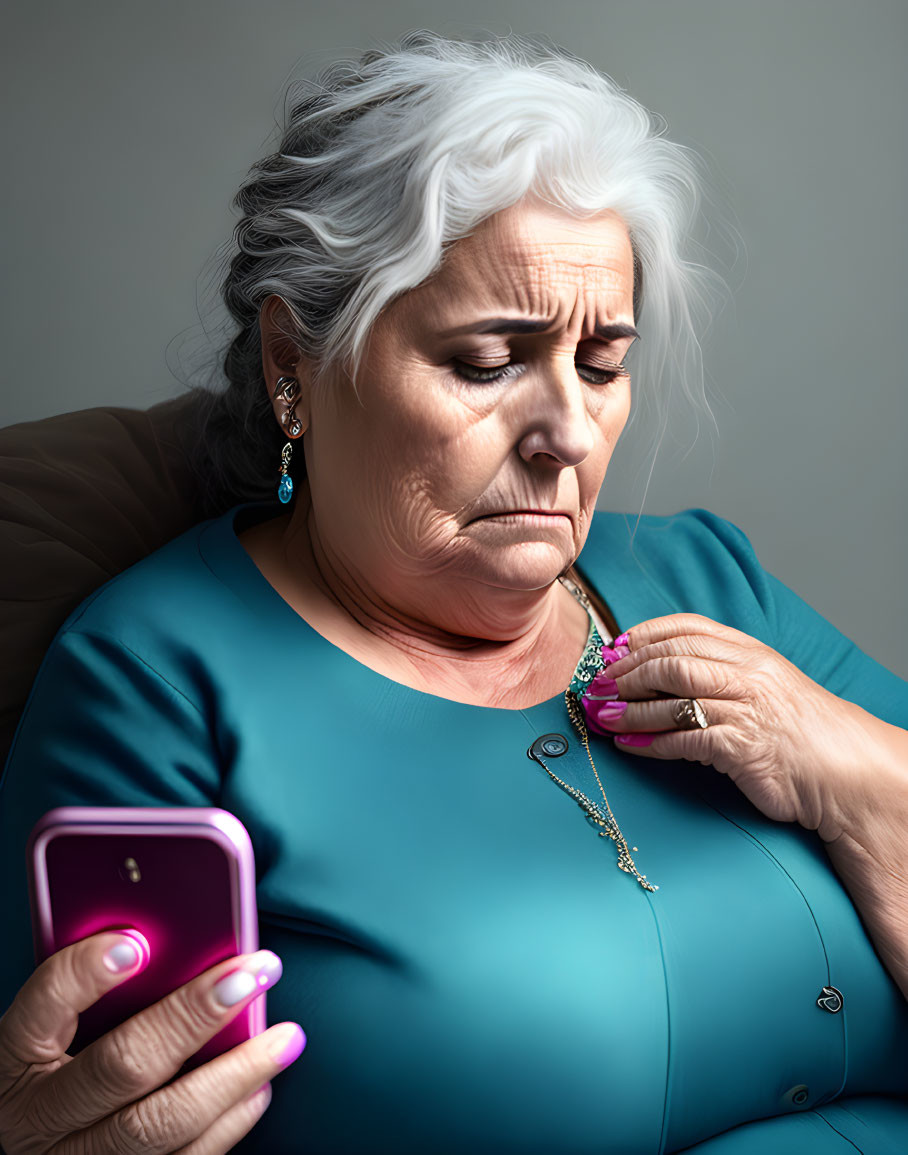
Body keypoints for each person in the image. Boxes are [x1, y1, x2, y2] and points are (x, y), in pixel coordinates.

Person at [1, 28, 906, 1155]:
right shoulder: (153, 683)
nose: (566, 434)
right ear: (295, 365)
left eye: (600, 363)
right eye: (487, 363)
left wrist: (854, 765)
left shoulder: (700, 575)